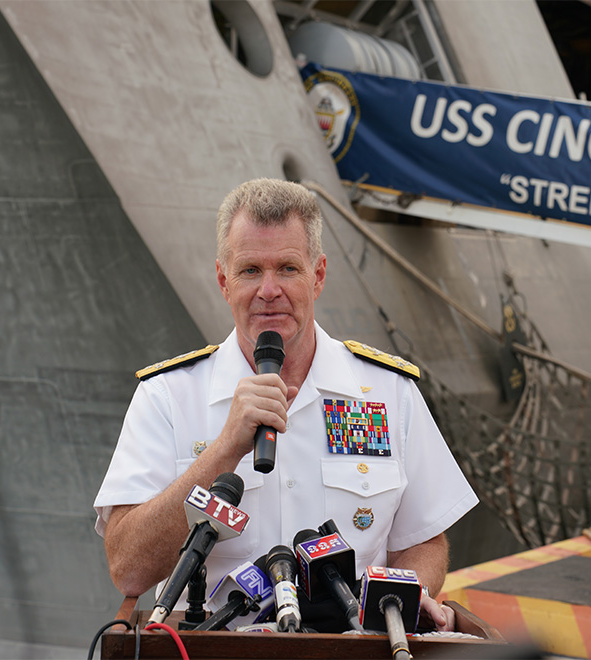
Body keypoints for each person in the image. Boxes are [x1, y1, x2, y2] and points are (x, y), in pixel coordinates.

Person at [93, 178, 478, 631]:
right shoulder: (169, 397)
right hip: (210, 648)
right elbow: (129, 570)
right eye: (250, 270)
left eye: (288, 269)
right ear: (223, 280)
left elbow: (422, 541)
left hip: (351, 650)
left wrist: (403, 600)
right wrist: (224, 449)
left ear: (318, 275)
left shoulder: (388, 392)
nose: (269, 289)